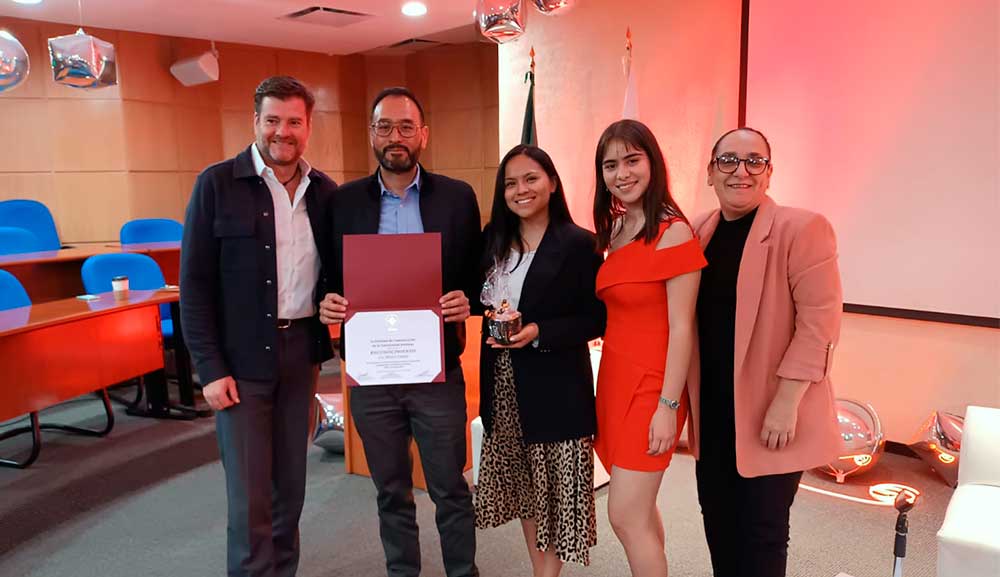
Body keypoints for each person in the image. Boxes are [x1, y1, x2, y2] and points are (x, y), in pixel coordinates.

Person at [318, 87, 481, 577]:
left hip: (436, 370)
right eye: (385, 126)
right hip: (372, 375)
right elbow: (327, 277)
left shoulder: (457, 198)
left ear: (423, 135)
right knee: (390, 490)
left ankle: (462, 573)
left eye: (406, 126)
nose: (396, 136)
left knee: (449, 487)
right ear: (371, 134)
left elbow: (476, 273)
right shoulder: (342, 202)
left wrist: (467, 300)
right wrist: (326, 302)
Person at [180, 75, 336, 577]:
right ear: (255, 121)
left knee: (291, 488)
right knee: (250, 496)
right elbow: (194, 287)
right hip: (240, 362)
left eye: (294, 121)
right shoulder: (216, 184)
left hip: (302, 356)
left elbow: (337, 272)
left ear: (308, 127)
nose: (282, 132)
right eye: (272, 120)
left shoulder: (325, 192)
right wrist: (209, 369)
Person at [690, 127, 842, 577]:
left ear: (769, 172)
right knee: (718, 523)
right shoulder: (698, 231)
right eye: (728, 160)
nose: (741, 170)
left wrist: (786, 402)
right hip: (714, 410)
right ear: (710, 172)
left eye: (754, 161)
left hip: (770, 410)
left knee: (762, 532)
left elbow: (819, 324)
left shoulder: (802, 228)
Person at [474, 145, 606, 576]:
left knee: (555, 494)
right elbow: (478, 301)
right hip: (504, 387)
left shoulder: (580, 244)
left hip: (557, 388)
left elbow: (596, 318)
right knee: (528, 492)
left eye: (530, 179)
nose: (521, 190)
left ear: (552, 183)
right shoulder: (493, 240)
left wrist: (539, 332)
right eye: (510, 183)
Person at [592, 119, 706, 577]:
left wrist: (668, 405)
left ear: (653, 162)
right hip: (615, 381)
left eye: (632, 160)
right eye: (610, 165)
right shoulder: (617, 229)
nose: (622, 173)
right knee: (640, 512)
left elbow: (682, 328)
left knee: (624, 514)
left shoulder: (673, 231)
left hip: (653, 387)